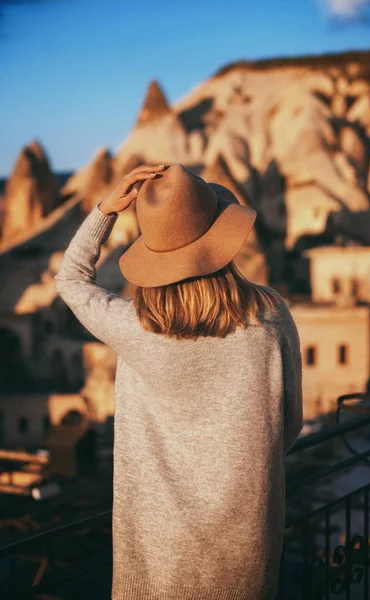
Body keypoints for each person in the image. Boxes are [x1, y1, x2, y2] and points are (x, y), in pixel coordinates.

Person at [54, 162, 303, 600]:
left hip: (155, 558)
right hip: (246, 554)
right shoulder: (270, 314)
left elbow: (71, 280)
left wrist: (106, 210)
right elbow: (291, 422)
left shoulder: (133, 327)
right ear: (220, 240)